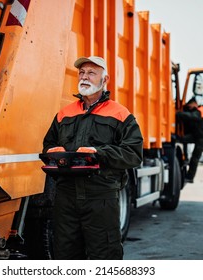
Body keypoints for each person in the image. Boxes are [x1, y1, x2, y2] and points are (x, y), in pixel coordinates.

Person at [42, 56, 143, 260]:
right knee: (65, 254)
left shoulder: (120, 114)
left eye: (91, 73)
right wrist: (55, 153)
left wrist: (99, 153)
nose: (84, 77)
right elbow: (48, 145)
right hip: (66, 196)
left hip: (101, 197)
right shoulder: (64, 114)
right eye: (82, 72)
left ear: (105, 80)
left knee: (104, 255)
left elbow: (133, 154)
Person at [176, 97, 203, 183]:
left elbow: (192, 116)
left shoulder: (201, 111)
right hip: (197, 136)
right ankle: (185, 158)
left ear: (195, 103)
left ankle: (190, 177)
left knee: (195, 158)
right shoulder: (198, 110)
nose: (189, 107)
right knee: (181, 139)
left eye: (190, 105)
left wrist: (178, 114)